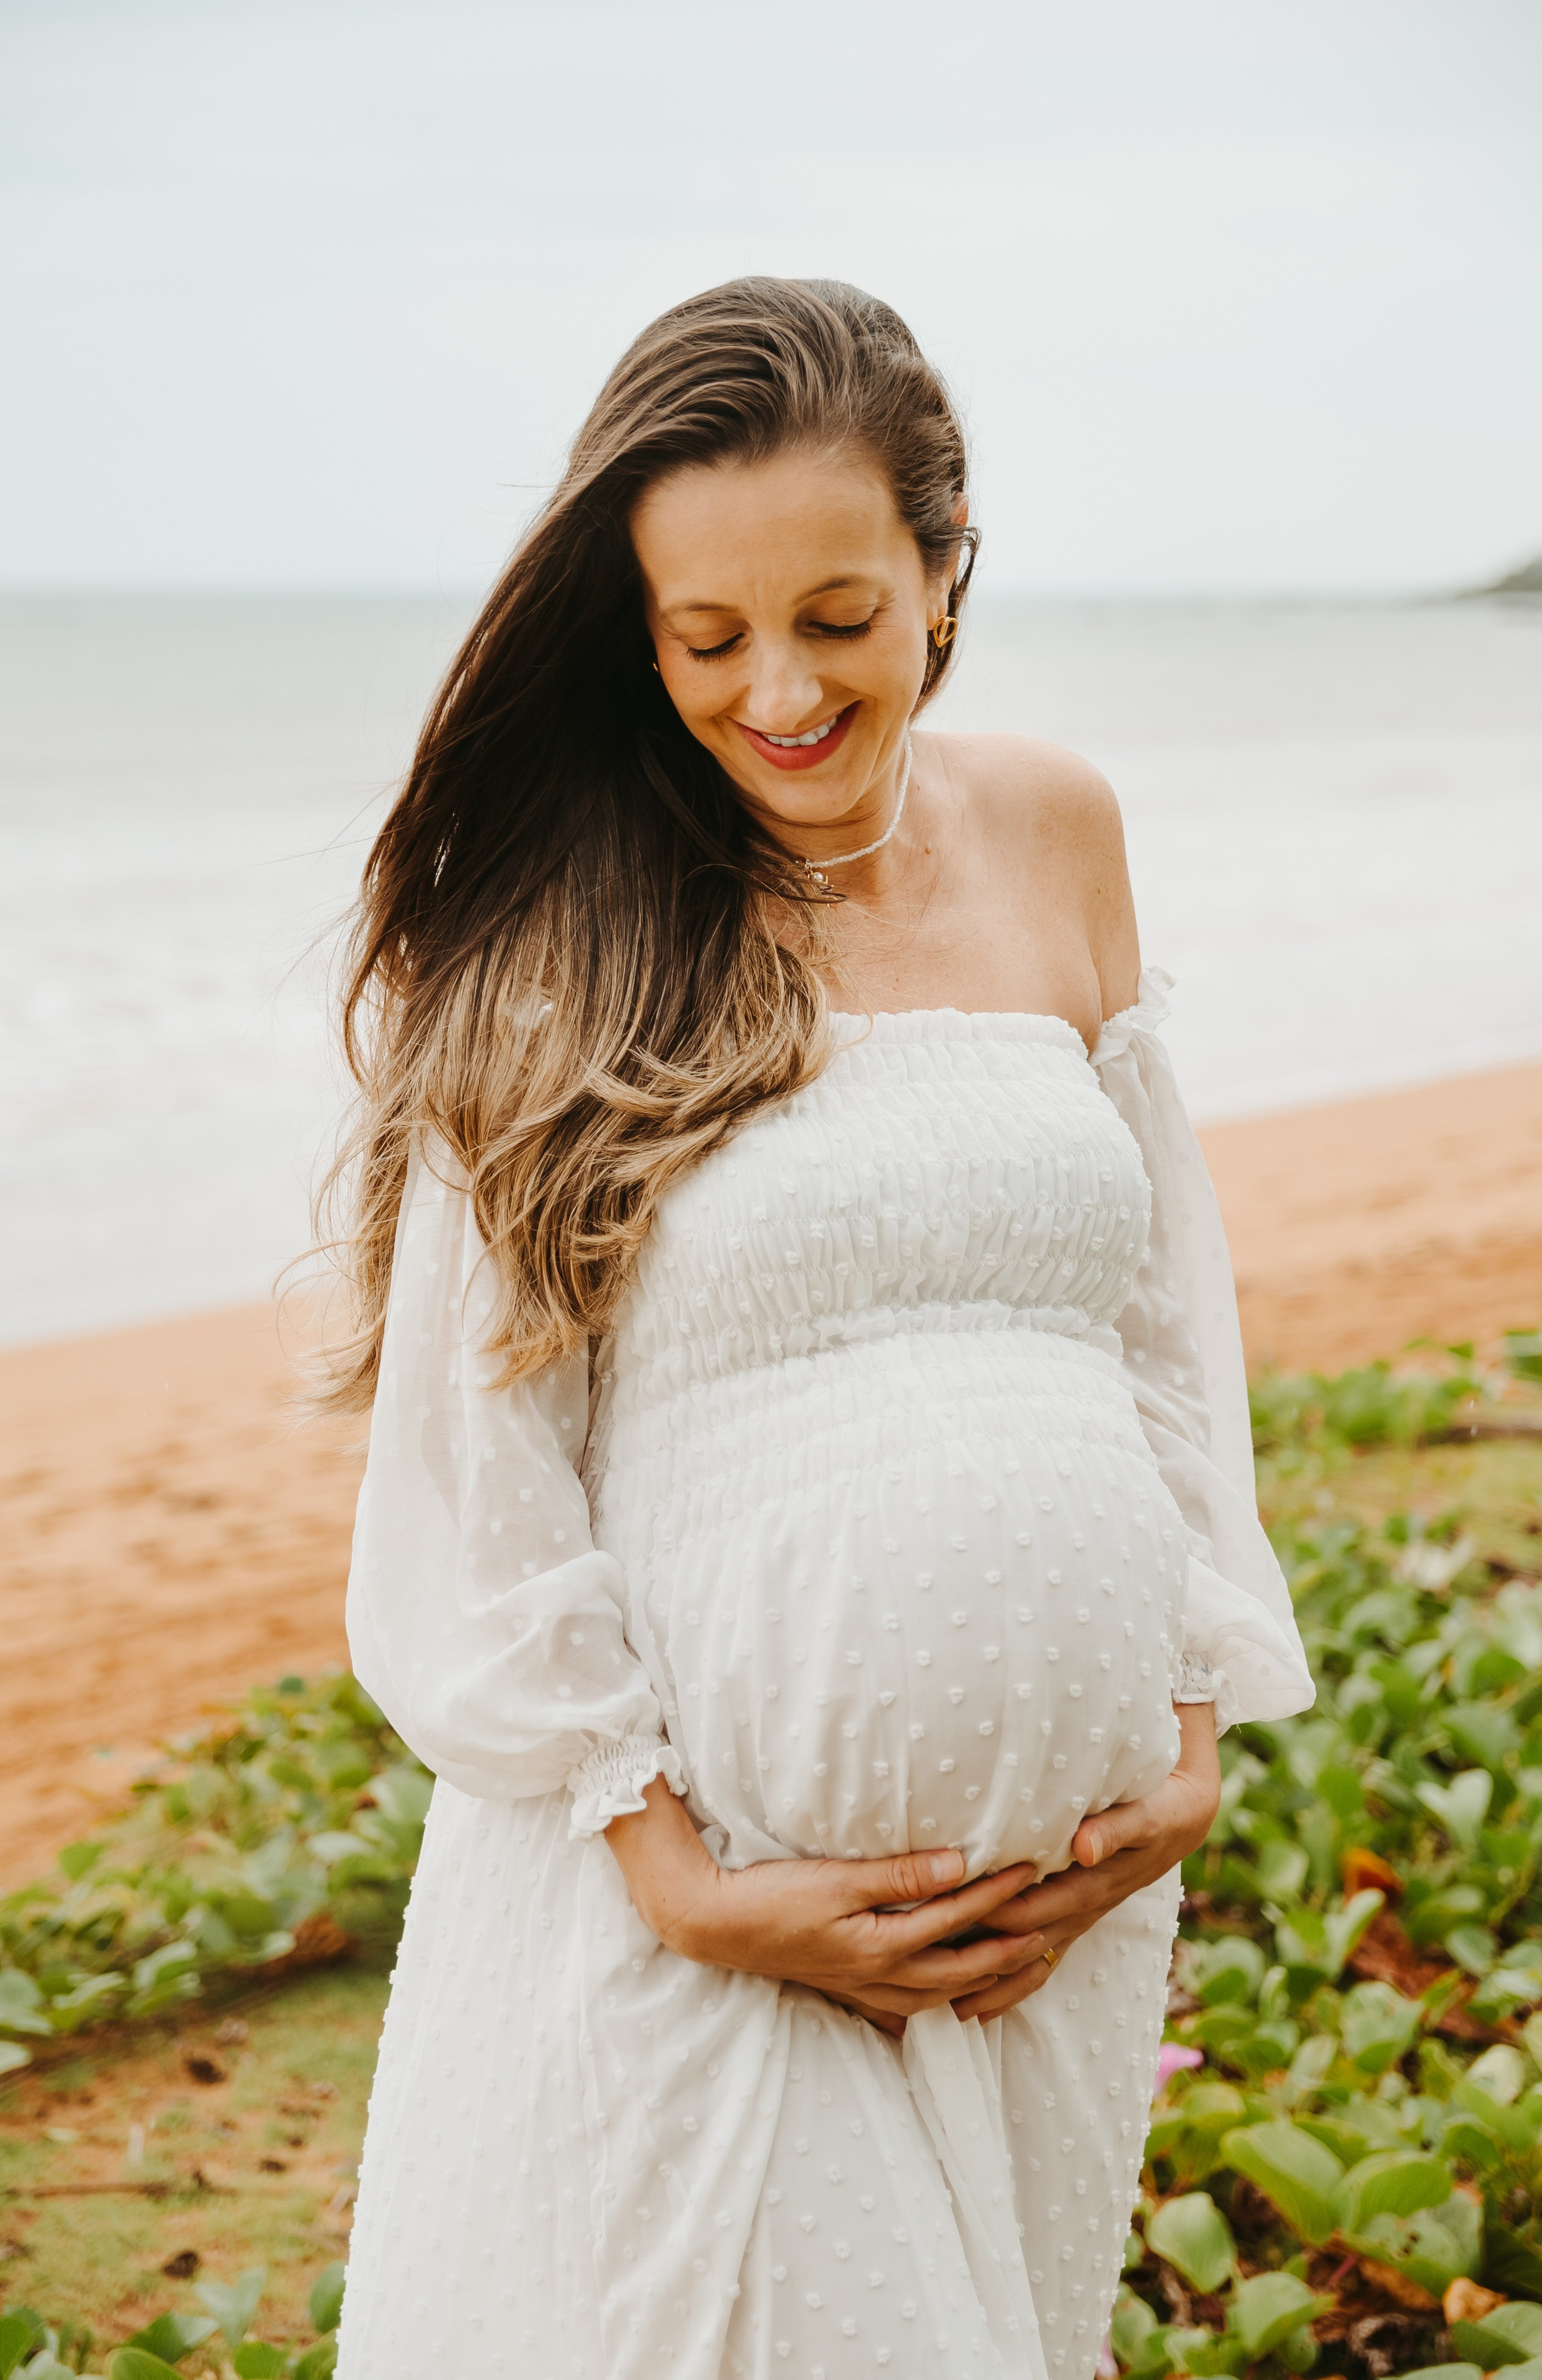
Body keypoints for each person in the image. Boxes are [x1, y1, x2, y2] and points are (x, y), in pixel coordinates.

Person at [326, 278, 1313, 2380]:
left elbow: (1155, 1310)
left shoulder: (1059, 831)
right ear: (643, 632)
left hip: (1056, 1928)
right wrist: (681, 1882)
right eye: (708, 640)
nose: (777, 690)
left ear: (947, 575)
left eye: (839, 617)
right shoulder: (563, 930)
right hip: (700, 1932)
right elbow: (472, 1465)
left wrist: (1196, 1722)